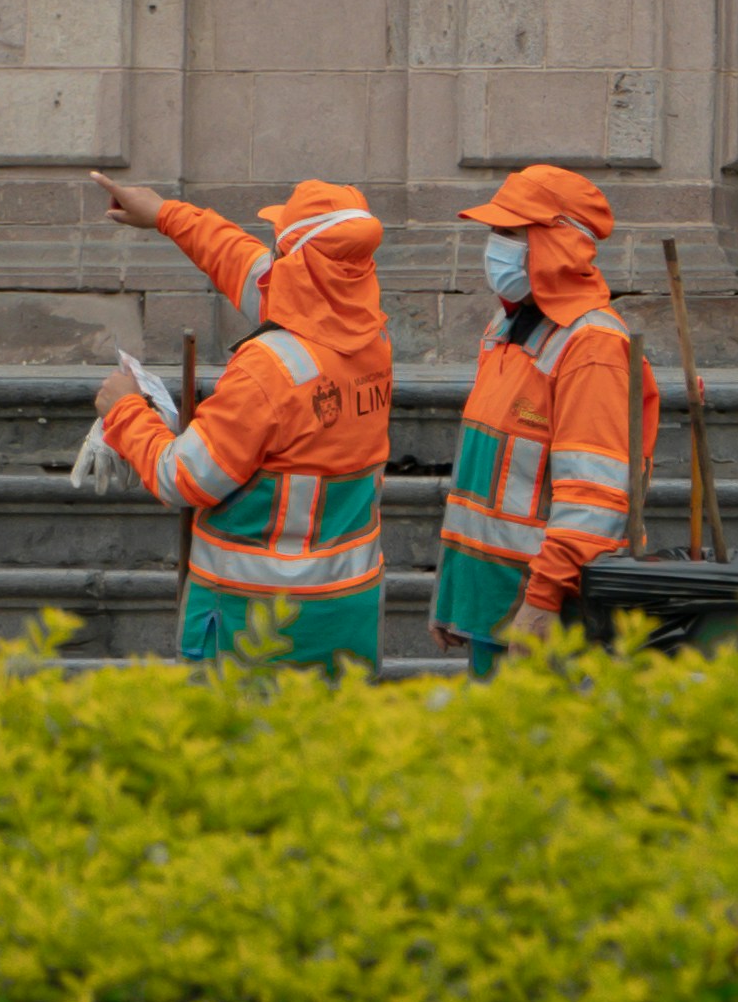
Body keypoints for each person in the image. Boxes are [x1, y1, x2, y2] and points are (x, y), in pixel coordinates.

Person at [87, 174, 395, 671]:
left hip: (254, 625)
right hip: (346, 614)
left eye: (280, 248)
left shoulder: (268, 372)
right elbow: (244, 263)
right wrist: (166, 214)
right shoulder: (370, 335)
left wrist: (125, 410)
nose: (270, 261)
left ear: (299, 263)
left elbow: (180, 476)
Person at [432, 162, 658, 670]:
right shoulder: (508, 328)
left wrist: (543, 601)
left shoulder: (592, 345)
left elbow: (593, 499)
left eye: (509, 233)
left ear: (556, 242)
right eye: (494, 231)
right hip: (493, 602)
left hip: (549, 614)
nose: (494, 246)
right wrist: (452, 593)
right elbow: (478, 485)